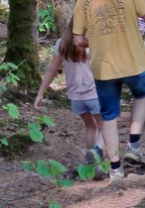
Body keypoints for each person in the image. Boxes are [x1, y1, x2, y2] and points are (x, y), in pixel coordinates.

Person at [73, 0, 145, 182]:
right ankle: (134, 145)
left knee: (109, 116)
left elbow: (77, 39)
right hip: (134, 61)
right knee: (141, 95)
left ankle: (115, 170)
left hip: (104, 68)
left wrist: (99, 39)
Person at [35, 19, 105, 164]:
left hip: (76, 97)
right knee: (105, 127)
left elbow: (52, 70)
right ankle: (96, 151)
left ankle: (92, 164)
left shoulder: (61, 44)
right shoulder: (92, 42)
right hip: (95, 94)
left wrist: (40, 93)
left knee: (90, 126)